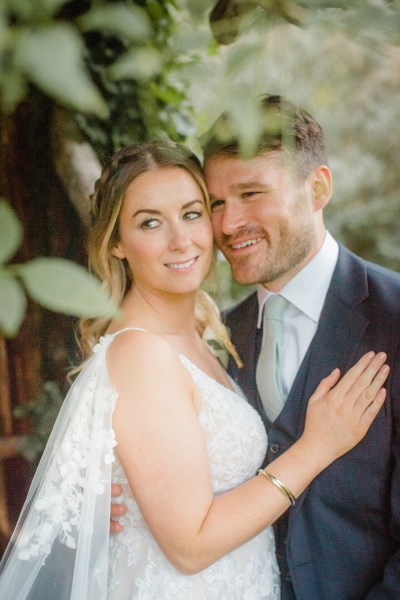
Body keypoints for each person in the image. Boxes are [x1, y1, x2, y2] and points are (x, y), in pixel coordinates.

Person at [0, 142, 389, 600]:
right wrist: (316, 447)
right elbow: (190, 546)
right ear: (118, 243)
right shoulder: (142, 354)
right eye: (150, 222)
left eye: (191, 213)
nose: (180, 240)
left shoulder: (214, 339)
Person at [201, 95, 400, 599]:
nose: (227, 224)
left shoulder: (395, 317)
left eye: (251, 193)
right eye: (217, 202)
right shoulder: (214, 340)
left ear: (318, 188)